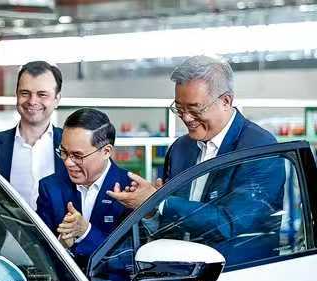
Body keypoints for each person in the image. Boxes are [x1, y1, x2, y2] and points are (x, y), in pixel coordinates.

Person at [107, 55, 283, 265]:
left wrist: (160, 201)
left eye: (195, 109)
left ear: (226, 101)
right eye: (179, 108)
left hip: (238, 274)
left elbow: (232, 224)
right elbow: (172, 224)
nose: (186, 117)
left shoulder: (259, 148)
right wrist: (151, 209)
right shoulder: (181, 149)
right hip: (180, 273)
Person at [36, 108, 133, 264]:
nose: (68, 162)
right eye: (64, 152)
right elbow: (37, 250)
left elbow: (129, 258)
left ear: (106, 151)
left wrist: (86, 232)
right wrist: (62, 245)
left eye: (77, 156)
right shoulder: (50, 187)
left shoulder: (131, 190)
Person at [0, 60, 63, 209]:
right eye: (25, 93)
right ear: (16, 95)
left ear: (57, 99)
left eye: (42, 94)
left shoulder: (73, 148)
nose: (32, 101)